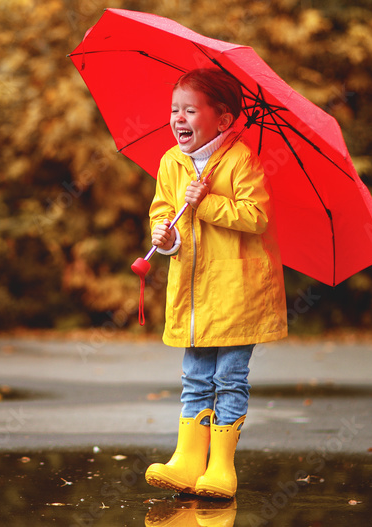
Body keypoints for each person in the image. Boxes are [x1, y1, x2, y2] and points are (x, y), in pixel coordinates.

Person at [144, 68, 287, 499]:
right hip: (194, 292)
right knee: (195, 377)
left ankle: (221, 466)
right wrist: (165, 238)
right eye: (174, 110)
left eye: (190, 110)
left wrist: (205, 203)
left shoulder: (242, 160)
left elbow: (256, 216)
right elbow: (162, 211)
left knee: (229, 377)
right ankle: (188, 459)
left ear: (222, 119)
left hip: (238, 290)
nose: (179, 118)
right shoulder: (171, 162)